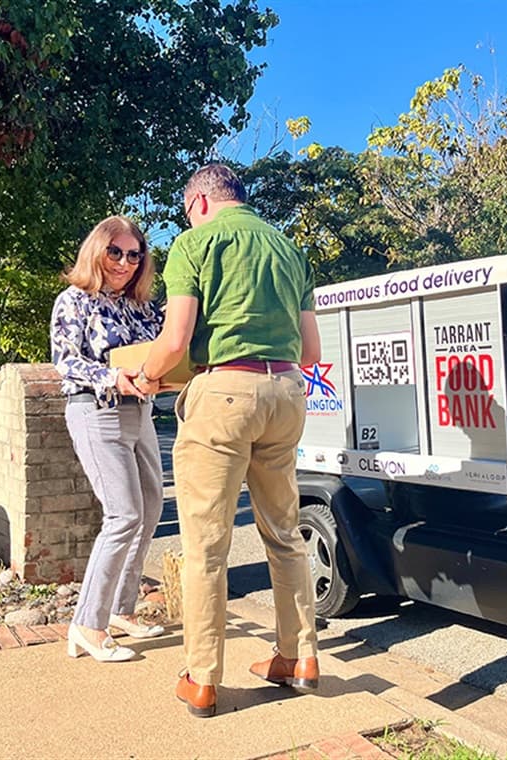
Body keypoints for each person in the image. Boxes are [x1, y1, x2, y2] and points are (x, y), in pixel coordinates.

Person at [136, 164, 322, 718]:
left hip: (223, 394)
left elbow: (174, 340)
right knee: (285, 532)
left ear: (197, 203)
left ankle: (202, 678)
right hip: (287, 389)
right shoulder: (290, 250)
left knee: (206, 544)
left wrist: (147, 374)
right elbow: (311, 351)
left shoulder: (193, 245)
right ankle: (301, 658)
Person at [50, 215, 167, 663]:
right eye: (115, 252)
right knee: (123, 515)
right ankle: (87, 623)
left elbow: (164, 349)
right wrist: (113, 377)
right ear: (96, 251)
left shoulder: (141, 307)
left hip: (140, 414)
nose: (124, 262)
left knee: (151, 508)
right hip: (96, 411)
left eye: (134, 255)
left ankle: (121, 608)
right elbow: (65, 363)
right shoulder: (73, 301)